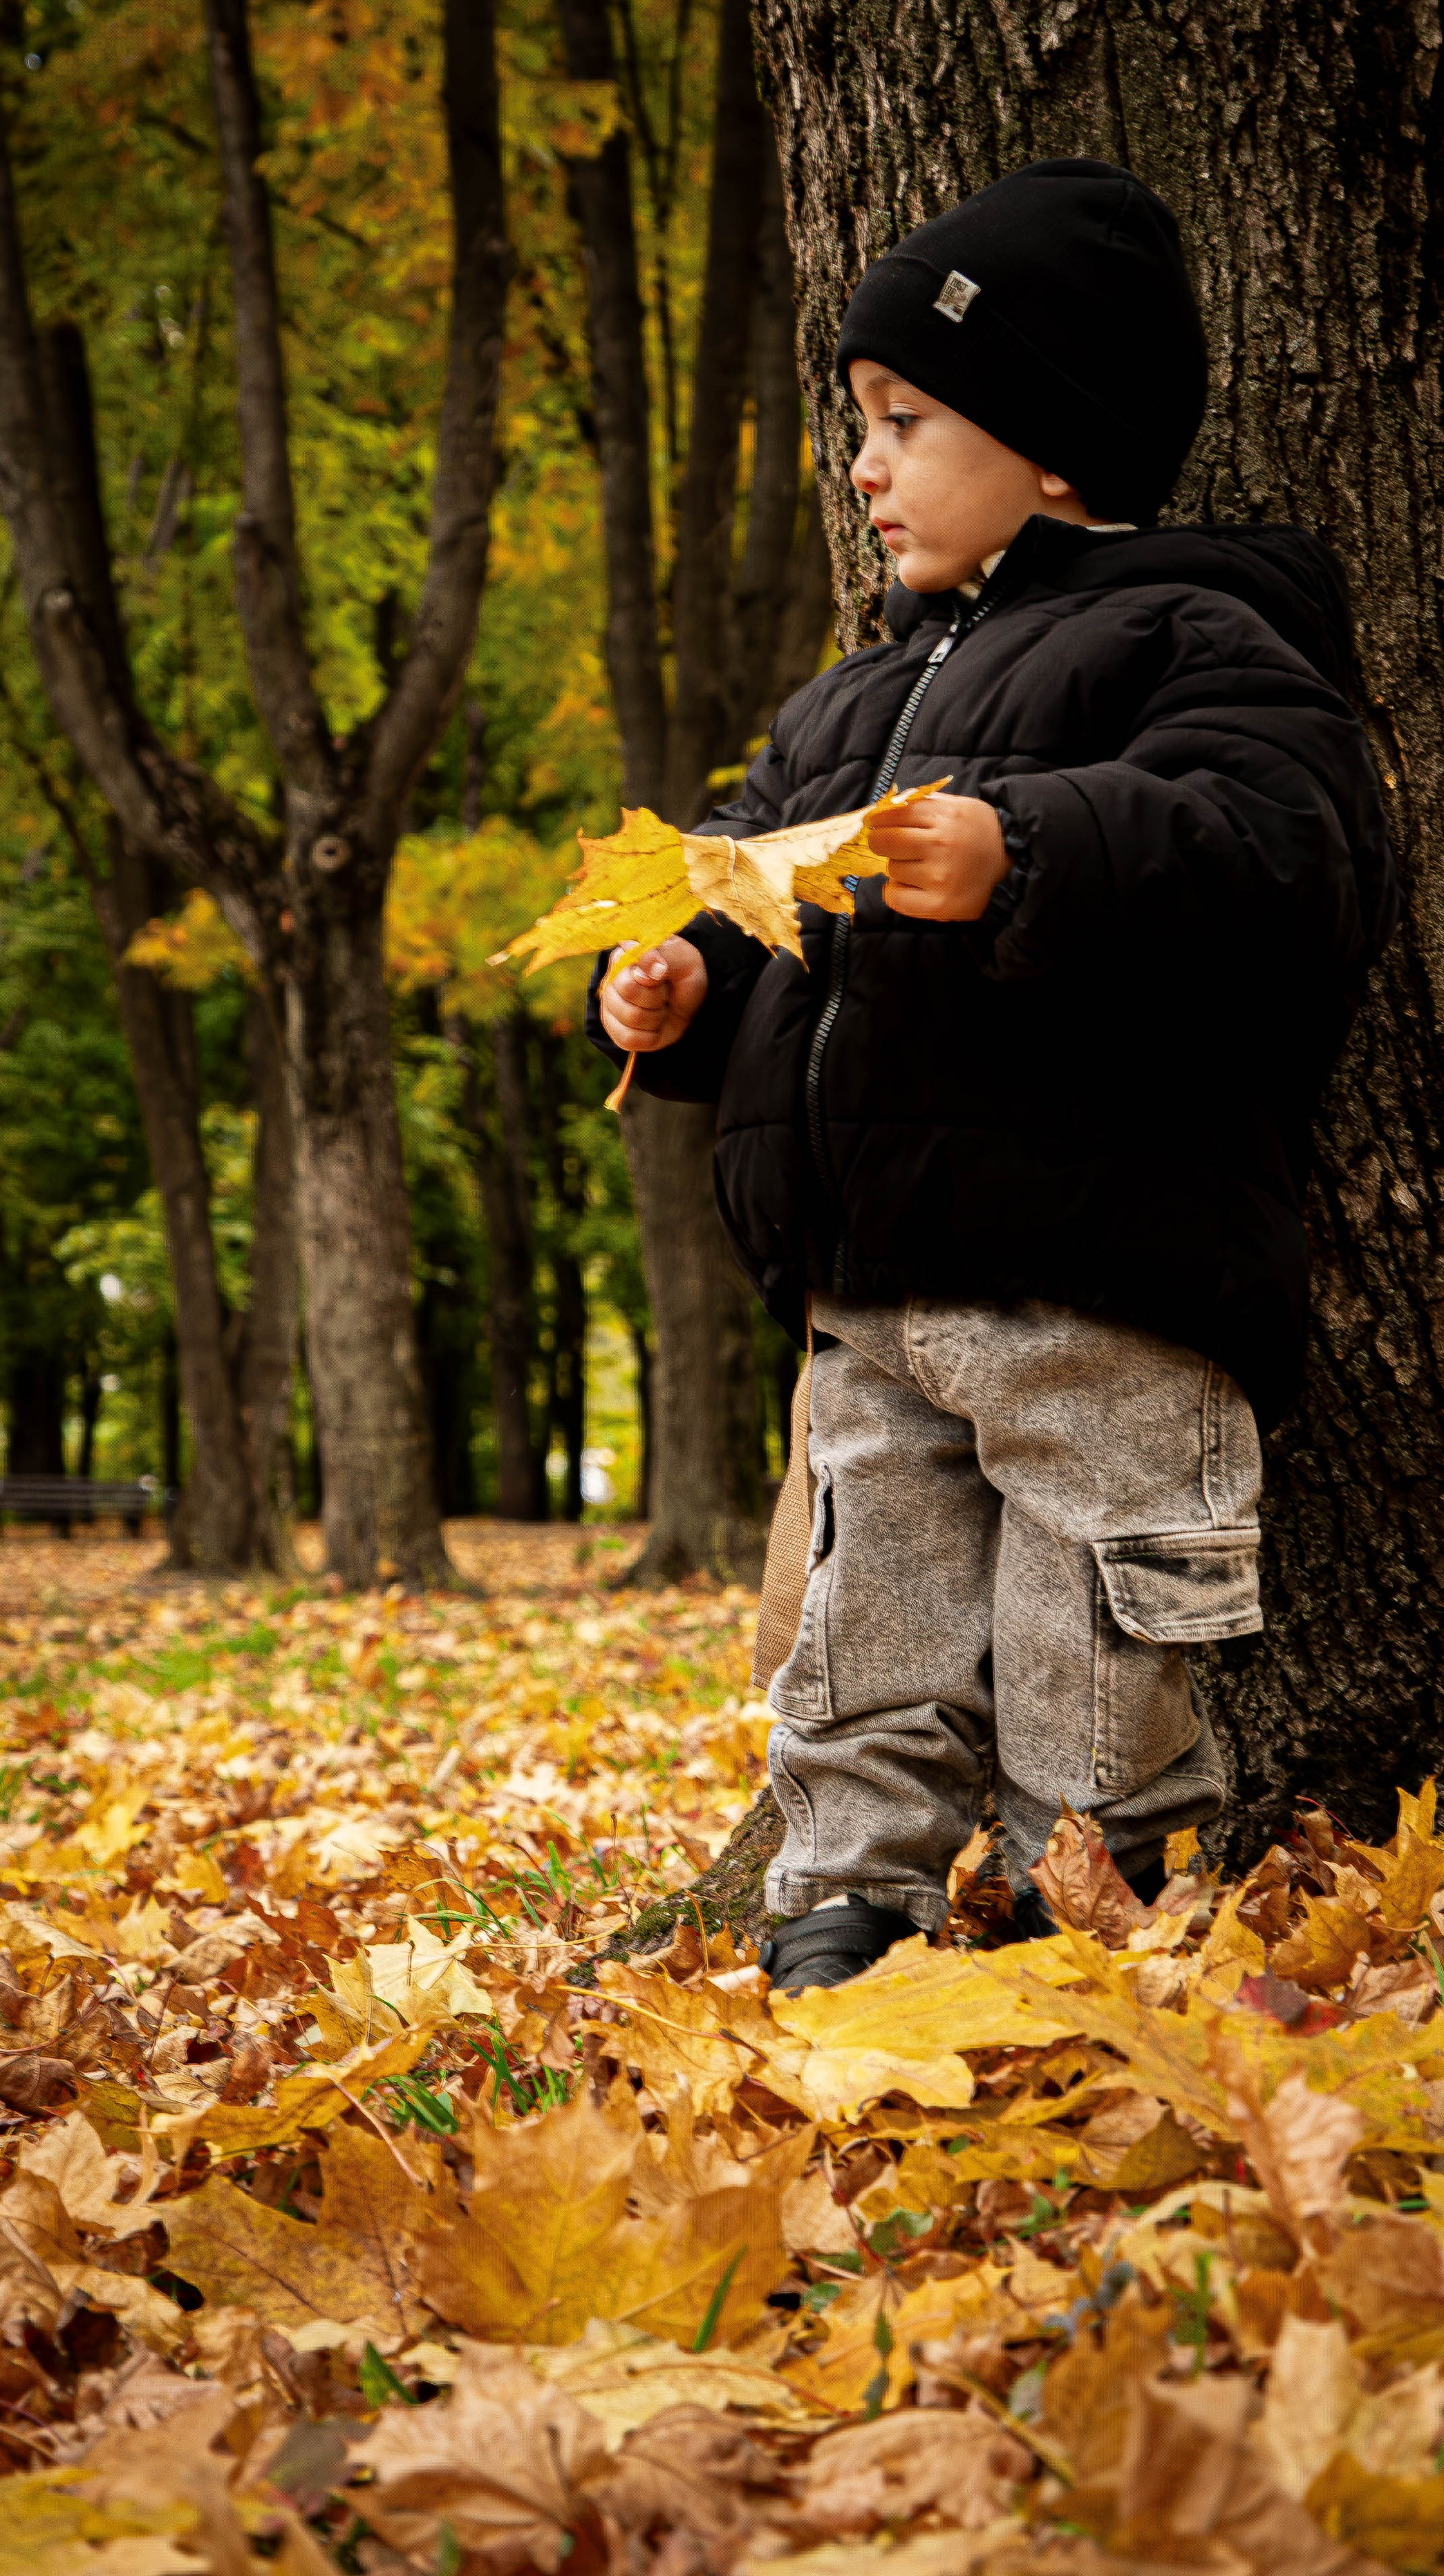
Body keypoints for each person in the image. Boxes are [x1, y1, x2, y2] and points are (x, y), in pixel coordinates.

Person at [590, 158, 1398, 1992]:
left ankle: (1080, 1930)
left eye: (904, 423)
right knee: (863, 1625)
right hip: (875, 1295)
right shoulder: (846, 706)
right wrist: (673, 992)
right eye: (857, 428)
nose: (861, 468)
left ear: (1050, 441)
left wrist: (1023, 850)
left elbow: (1282, 849)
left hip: (1099, 1281)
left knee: (1089, 1638)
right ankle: (839, 1921)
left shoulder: (1195, 631)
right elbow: (750, 882)